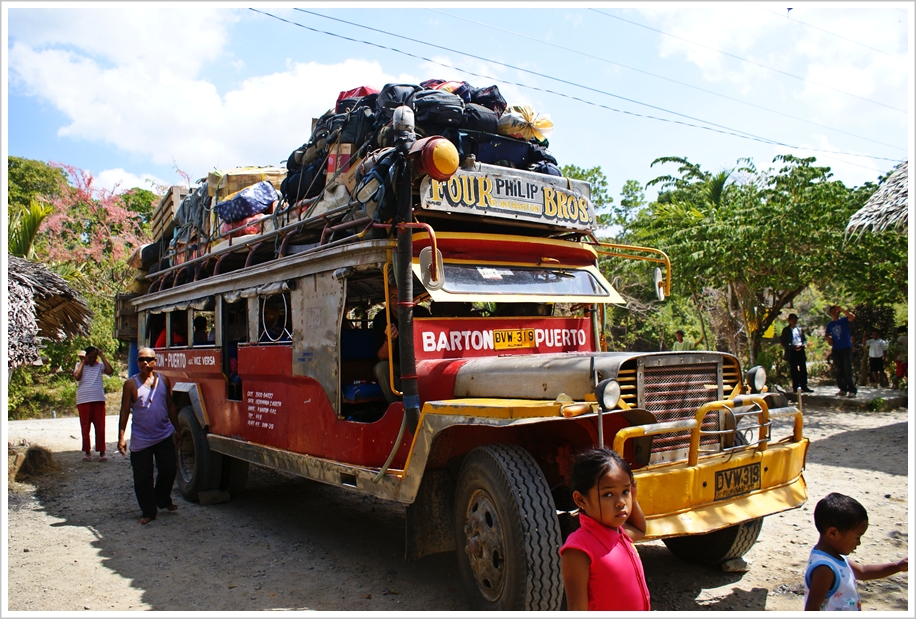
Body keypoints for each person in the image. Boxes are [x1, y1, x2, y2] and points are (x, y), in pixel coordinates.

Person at [560, 447, 650, 611]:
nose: (621, 502)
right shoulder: (579, 550)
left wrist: (633, 497)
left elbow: (639, 529)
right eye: (608, 494)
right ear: (580, 500)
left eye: (625, 491)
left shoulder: (619, 534)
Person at [803, 492, 907, 611]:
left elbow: (863, 571)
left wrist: (898, 566)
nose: (858, 543)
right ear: (833, 533)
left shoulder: (834, 558)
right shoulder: (825, 569)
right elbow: (812, 608)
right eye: (857, 537)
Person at [117, 347, 180, 525]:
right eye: (141, 359)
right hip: (141, 438)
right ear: (137, 362)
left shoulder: (164, 380)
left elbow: (170, 405)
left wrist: (177, 429)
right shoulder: (131, 384)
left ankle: (162, 499)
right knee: (143, 478)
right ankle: (148, 511)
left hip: (164, 434)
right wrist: (121, 437)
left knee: (169, 469)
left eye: (148, 359)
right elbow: (124, 412)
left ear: (155, 361)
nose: (145, 363)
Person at [73, 346, 114, 462]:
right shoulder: (79, 365)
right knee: (85, 427)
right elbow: (77, 377)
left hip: (98, 399)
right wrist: (82, 362)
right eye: (90, 357)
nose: (92, 359)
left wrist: (101, 356)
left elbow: (110, 371)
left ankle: (102, 451)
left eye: (94, 357)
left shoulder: (99, 365)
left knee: (100, 426)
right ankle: (87, 451)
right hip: (83, 400)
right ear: (85, 356)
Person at [825, 305, 857, 398]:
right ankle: (842, 389)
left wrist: (842, 309)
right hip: (836, 348)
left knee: (847, 369)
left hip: (845, 347)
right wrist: (828, 339)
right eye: (832, 312)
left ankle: (852, 390)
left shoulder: (844, 320)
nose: (834, 313)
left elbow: (852, 317)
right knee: (839, 370)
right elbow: (826, 334)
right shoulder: (830, 324)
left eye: (836, 311)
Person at [780, 314, 813, 393]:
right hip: (792, 351)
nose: (794, 321)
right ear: (789, 320)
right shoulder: (786, 330)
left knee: (803, 369)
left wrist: (804, 344)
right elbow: (783, 342)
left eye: (795, 319)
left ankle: (804, 386)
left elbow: (803, 339)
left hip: (800, 350)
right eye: (792, 319)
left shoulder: (799, 329)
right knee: (794, 370)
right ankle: (795, 387)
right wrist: (792, 347)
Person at [892, 325, 908, 390]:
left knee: (899, 373)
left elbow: (898, 349)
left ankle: (895, 385)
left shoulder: (900, 338)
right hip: (907, 358)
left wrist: (895, 357)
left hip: (901, 358)